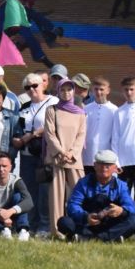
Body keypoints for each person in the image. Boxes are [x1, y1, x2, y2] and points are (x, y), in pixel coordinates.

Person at [57, 150, 135, 242]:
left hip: (110, 225)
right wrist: (86, 217)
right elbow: (72, 205)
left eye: (108, 165)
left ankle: (90, 239)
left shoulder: (121, 185)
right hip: (88, 224)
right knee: (64, 222)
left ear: (115, 168)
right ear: (95, 165)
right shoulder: (83, 183)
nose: (104, 168)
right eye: (100, 164)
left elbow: (131, 207)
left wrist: (121, 211)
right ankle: (110, 238)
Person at [39, 76, 86, 233]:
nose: (66, 93)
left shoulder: (80, 113)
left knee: (80, 194)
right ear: (58, 91)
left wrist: (71, 153)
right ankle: (57, 231)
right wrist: (60, 152)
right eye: (63, 90)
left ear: (74, 91)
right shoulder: (52, 110)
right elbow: (49, 134)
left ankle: (81, 228)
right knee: (56, 197)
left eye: (69, 89)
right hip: (56, 158)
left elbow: (81, 135)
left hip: (74, 159)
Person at [82, 77, 117, 178]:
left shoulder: (114, 110)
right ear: (92, 90)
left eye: (101, 89)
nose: (98, 92)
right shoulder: (86, 109)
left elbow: (116, 136)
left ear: (108, 90)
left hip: (106, 157)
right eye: (96, 89)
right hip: (87, 156)